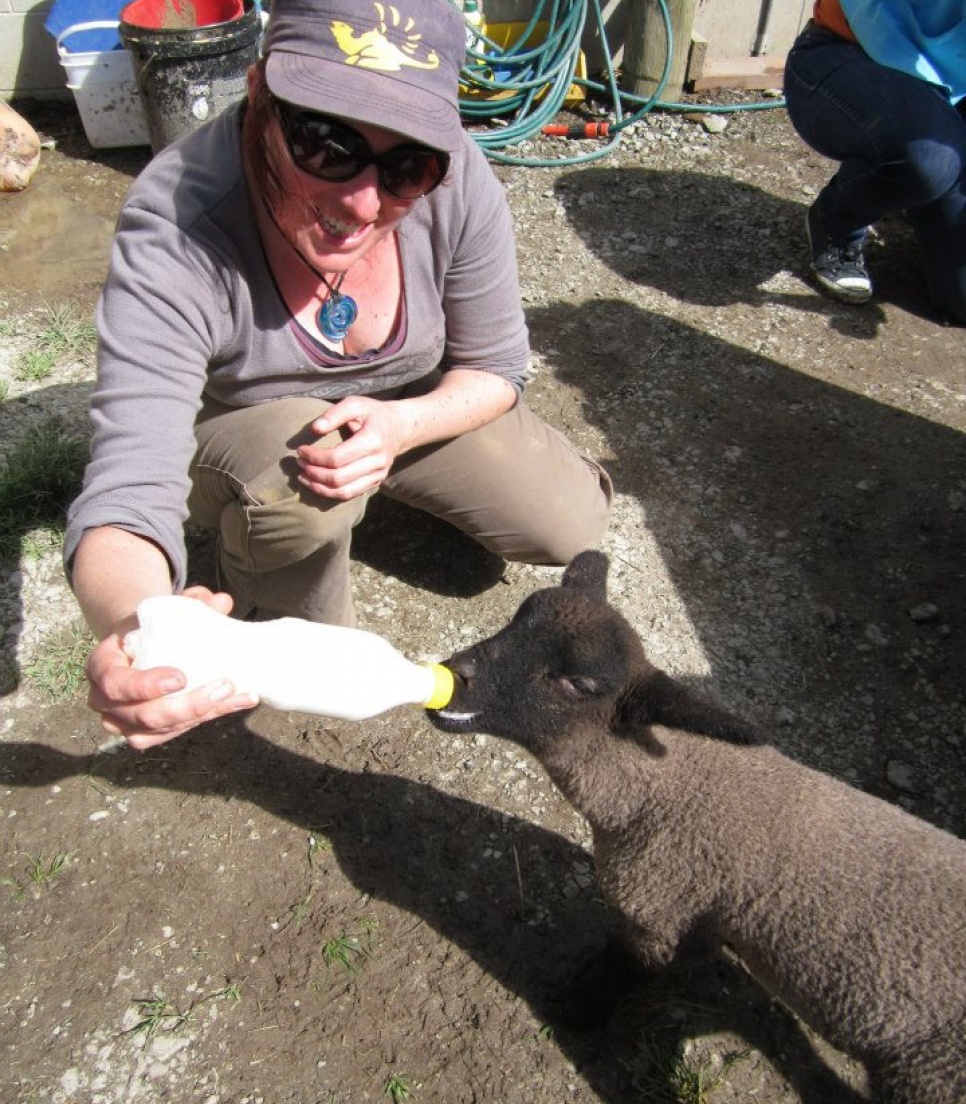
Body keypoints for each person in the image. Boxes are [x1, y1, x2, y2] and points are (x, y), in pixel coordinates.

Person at [65, 0, 613, 750]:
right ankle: (257, 561)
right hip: (254, 432)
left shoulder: (458, 183)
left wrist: (400, 426)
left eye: (406, 166)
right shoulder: (177, 226)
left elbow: (495, 366)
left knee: (569, 523)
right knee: (299, 507)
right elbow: (128, 492)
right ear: (259, 94)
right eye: (326, 145)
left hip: (399, 412)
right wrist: (136, 631)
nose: (362, 203)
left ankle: (370, 490)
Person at [783, 0, 966, 322]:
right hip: (851, 50)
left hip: (954, 87)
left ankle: (917, 210)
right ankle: (837, 221)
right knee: (927, 160)